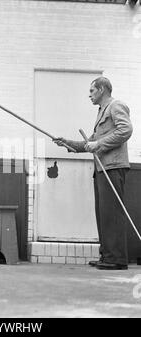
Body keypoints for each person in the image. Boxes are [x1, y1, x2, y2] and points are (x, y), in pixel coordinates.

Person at [54, 77, 133, 270]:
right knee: (103, 214)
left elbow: (126, 130)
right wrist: (68, 143)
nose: (89, 95)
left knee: (112, 214)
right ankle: (107, 256)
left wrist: (99, 144)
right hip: (102, 168)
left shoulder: (116, 105)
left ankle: (117, 259)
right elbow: (89, 142)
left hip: (113, 167)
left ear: (102, 89)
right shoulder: (101, 113)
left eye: (92, 91)